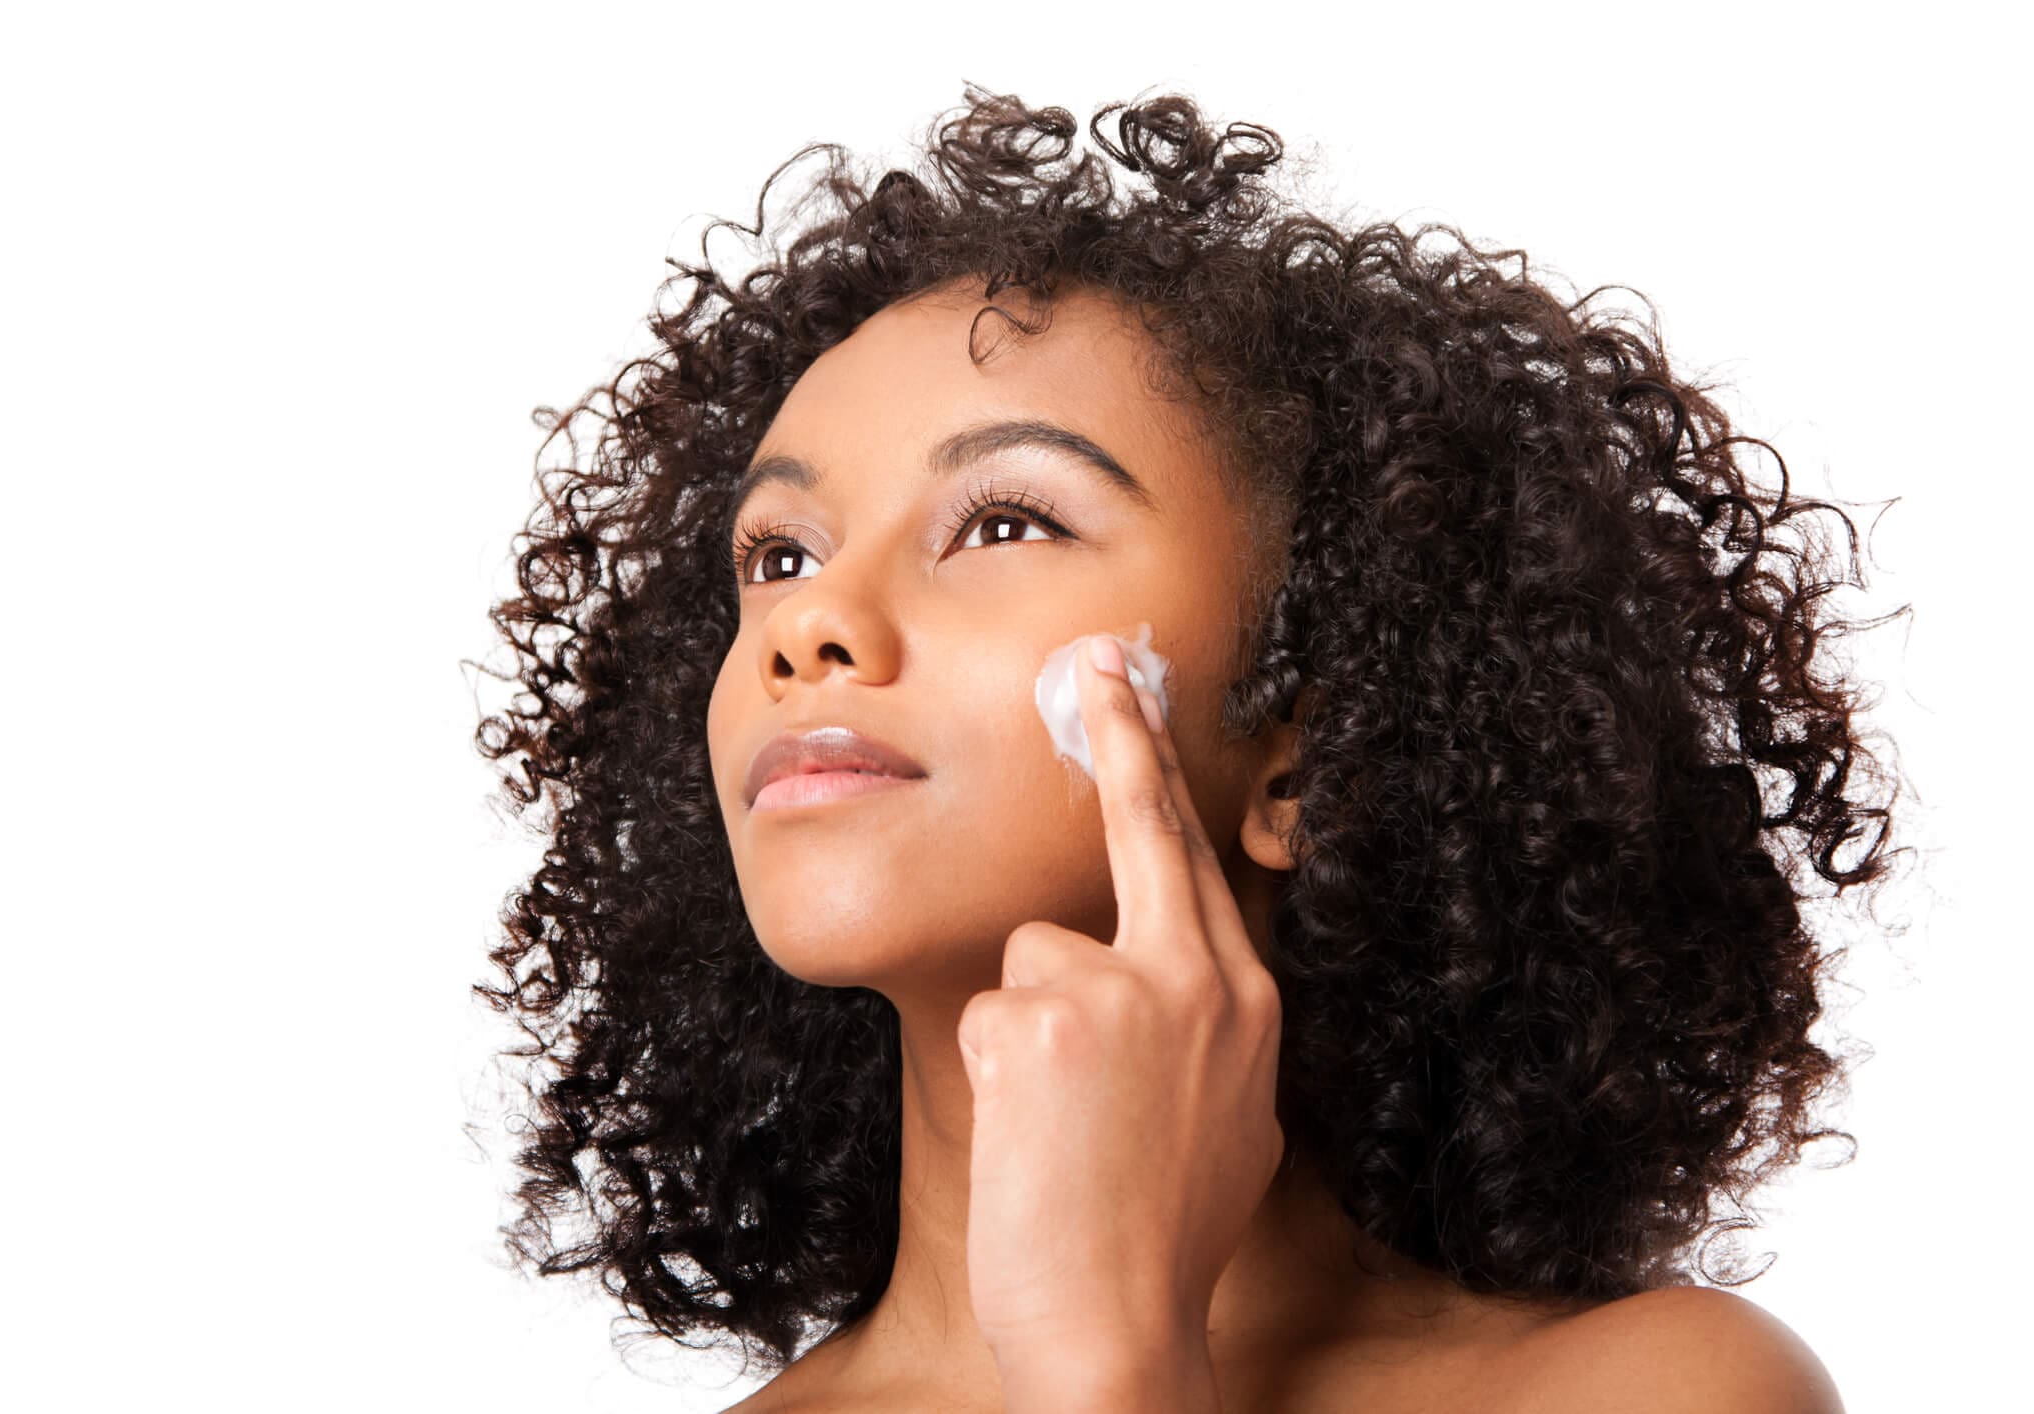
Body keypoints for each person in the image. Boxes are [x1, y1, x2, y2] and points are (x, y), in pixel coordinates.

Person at [473, 85, 1901, 1412]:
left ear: (1303, 747)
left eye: (1005, 521)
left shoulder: (1661, 1391)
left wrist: (1115, 1356)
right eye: (776, 551)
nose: (810, 624)